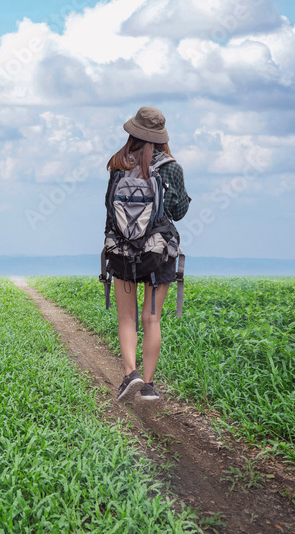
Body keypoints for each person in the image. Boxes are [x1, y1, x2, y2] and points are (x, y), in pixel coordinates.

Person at [105, 106, 191, 402]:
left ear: (132, 133)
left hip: (122, 253)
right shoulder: (171, 167)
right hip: (158, 254)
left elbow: (108, 209)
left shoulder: (118, 163)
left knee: (126, 318)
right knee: (151, 319)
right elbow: (178, 212)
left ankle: (130, 374)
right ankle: (149, 386)